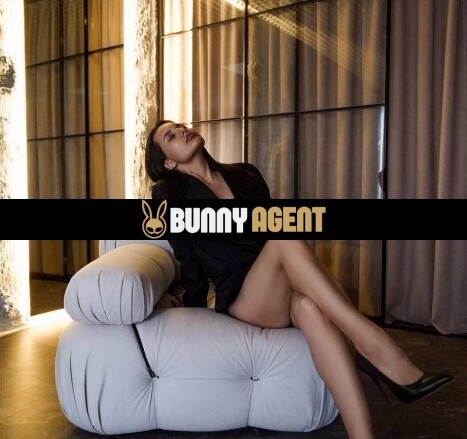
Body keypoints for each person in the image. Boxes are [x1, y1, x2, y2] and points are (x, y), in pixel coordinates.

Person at [145, 120, 451, 439]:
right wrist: (191, 312)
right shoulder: (167, 194)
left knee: (310, 308)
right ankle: (375, 346)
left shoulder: (245, 174)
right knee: (285, 235)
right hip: (242, 297)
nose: (183, 130)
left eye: (181, 126)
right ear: (168, 162)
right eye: (171, 135)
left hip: (281, 283)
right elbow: (189, 262)